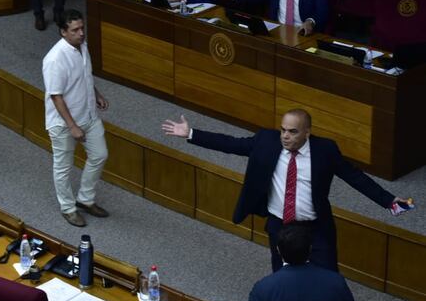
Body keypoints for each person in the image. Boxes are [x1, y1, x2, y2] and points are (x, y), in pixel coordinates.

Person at [161, 109, 408, 272]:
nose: (285, 136)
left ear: (307, 132)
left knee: (327, 275)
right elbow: (231, 144)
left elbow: (355, 177)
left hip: (315, 227)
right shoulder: (266, 141)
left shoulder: (325, 150)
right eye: (283, 130)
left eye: (293, 131)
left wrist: (389, 201)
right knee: (282, 275)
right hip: (280, 225)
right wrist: (191, 134)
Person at [42, 10, 109, 227]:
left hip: (88, 114)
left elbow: (84, 75)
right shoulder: (54, 59)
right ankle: (68, 208)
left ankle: (85, 199)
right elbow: (56, 96)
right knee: (63, 166)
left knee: (100, 155)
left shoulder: (82, 46)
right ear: (63, 32)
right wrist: (72, 126)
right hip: (64, 124)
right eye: (75, 30)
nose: (81, 33)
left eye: (82, 28)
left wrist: (96, 93)